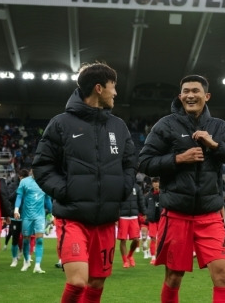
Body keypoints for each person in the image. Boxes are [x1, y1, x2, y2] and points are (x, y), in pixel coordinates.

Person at [138, 74, 225, 303]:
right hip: (176, 214)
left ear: (206, 96)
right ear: (180, 97)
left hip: (209, 215)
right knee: (173, 277)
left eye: (196, 91)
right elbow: (143, 163)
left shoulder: (219, 128)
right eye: (186, 92)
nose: (191, 95)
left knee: (223, 274)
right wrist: (179, 158)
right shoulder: (166, 125)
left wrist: (215, 145)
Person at [33, 62, 136, 303]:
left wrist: (122, 188)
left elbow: (130, 163)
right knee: (78, 281)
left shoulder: (118, 126)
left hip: (106, 219)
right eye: (114, 86)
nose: (116, 93)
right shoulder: (61, 124)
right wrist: (65, 190)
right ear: (99, 88)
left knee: (97, 283)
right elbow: (42, 166)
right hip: (73, 216)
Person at [14, 168, 52, 274]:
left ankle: (37, 265)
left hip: (40, 216)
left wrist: (52, 213)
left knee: (39, 240)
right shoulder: (24, 182)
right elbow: (19, 196)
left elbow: (48, 200)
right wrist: (16, 209)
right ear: (32, 171)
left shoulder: (45, 183)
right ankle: (26, 262)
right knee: (26, 240)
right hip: (27, 216)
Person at [118, 182, 146, 268]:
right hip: (123, 217)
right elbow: (116, 201)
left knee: (137, 240)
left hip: (134, 217)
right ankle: (125, 261)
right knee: (123, 240)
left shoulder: (137, 187)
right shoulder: (120, 186)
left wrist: (144, 212)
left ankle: (130, 256)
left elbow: (140, 200)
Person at [145, 177, 161, 264]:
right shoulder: (148, 196)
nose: (156, 184)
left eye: (157, 182)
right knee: (153, 238)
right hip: (152, 220)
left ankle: (160, 256)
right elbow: (144, 206)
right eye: (154, 182)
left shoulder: (163, 194)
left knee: (162, 239)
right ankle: (153, 257)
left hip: (162, 219)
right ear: (152, 184)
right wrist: (147, 213)